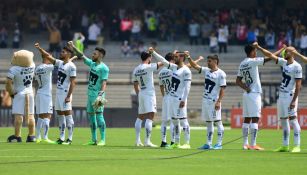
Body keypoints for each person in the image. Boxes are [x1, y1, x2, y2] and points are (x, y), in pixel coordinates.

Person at [236, 42, 277, 150]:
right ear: (252, 52)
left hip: (247, 94)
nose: (256, 53)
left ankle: (245, 144)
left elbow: (238, 81)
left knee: (246, 119)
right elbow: (269, 57)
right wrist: (280, 51)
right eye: (255, 51)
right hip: (254, 94)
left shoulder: (242, 63)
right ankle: (253, 145)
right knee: (255, 119)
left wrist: (246, 88)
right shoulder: (253, 62)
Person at [68, 41, 109, 146]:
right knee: (91, 117)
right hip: (90, 94)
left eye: (94, 54)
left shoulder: (104, 68)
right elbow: (82, 56)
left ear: (100, 55)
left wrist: (100, 95)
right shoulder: (92, 63)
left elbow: (104, 83)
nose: (92, 55)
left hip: (98, 95)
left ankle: (103, 140)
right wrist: (73, 47)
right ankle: (94, 139)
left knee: (100, 116)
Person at [150, 48, 192, 149]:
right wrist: (153, 52)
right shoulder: (173, 67)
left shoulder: (186, 71)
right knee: (175, 121)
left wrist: (183, 99)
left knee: (183, 120)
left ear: (182, 58)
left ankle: (187, 143)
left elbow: (187, 87)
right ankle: (176, 142)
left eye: (176, 56)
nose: (174, 58)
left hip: (180, 99)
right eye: (174, 56)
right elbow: (163, 61)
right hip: (172, 98)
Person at [187, 54, 226, 150]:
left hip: (214, 101)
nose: (207, 63)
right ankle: (208, 143)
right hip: (205, 100)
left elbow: (222, 89)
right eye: (207, 61)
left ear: (215, 61)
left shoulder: (221, 74)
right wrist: (188, 57)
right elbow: (195, 66)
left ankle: (219, 144)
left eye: (209, 61)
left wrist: (219, 101)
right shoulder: (206, 71)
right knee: (209, 123)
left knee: (218, 122)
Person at [269, 46, 302, 153]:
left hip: (290, 95)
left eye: (286, 52)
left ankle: (297, 145)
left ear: (292, 53)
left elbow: (298, 86)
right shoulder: (284, 63)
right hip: (281, 95)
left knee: (293, 119)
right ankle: (285, 145)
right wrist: (259, 48)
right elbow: (271, 56)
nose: (284, 53)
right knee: (283, 120)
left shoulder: (297, 67)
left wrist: (294, 100)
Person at [42, 44, 77, 145]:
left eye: (63, 52)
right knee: (60, 115)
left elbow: (73, 83)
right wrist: (40, 49)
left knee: (68, 116)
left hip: (66, 93)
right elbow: (50, 57)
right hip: (58, 92)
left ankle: (69, 139)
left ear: (69, 54)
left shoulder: (72, 66)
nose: (61, 53)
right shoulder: (60, 63)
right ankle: (62, 137)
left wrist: (68, 96)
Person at [132, 51, 163, 147]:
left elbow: (135, 84)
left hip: (141, 93)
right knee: (151, 116)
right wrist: (154, 53)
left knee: (140, 116)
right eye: (151, 58)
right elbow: (164, 62)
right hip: (149, 93)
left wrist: (139, 94)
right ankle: (147, 141)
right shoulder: (149, 67)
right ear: (149, 58)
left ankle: (137, 141)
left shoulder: (136, 69)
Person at [6, 50, 36, 142]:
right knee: (31, 115)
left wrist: (11, 92)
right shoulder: (32, 66)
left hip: (19, 93)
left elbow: (8, 83)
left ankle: (17, 136)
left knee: (19, 116)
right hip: (30, 93)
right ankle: (32, 136)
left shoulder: (14, 69)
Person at [33, 43, 56, 144]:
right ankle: (45, 137)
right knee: (48, 115)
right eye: (49, 56)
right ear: (47, 57)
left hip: (39, 93)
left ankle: (38, 137)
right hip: (46, 95)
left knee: (40, 116)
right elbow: (57, 62)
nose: (51, 58)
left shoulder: (37, 68)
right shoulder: (48, 67)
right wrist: (40, 49)